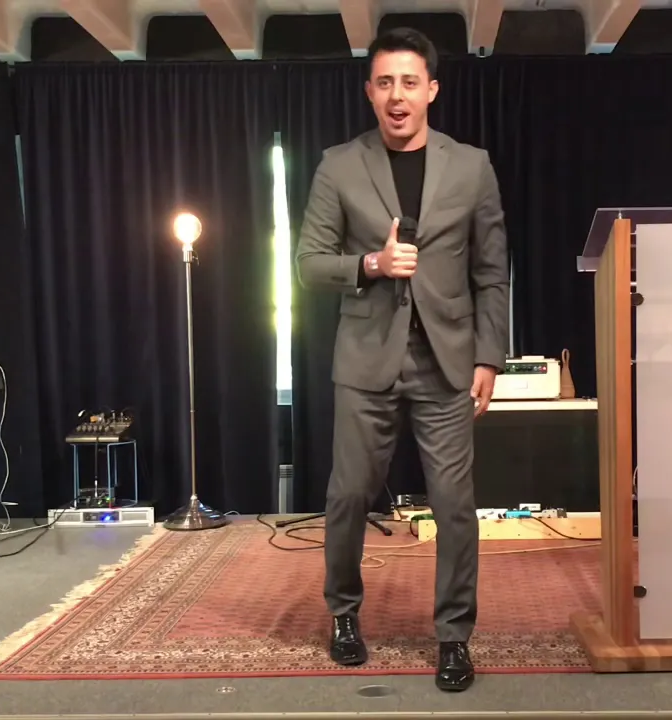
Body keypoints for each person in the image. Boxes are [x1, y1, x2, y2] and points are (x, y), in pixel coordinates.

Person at [295, 27, 509, 692]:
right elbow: (309, 264)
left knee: (454, 506)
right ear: (369, 91)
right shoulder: (338, 165)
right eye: (385, 82)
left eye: (409, 83)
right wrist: (371, 264)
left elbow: (492, 272)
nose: (397, 95)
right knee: (349, 495)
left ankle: (454, 637)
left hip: (448, 364)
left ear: (431, 90)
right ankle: (344, 614)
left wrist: (490, 357)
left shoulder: (471, 166)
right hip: (366, 361)